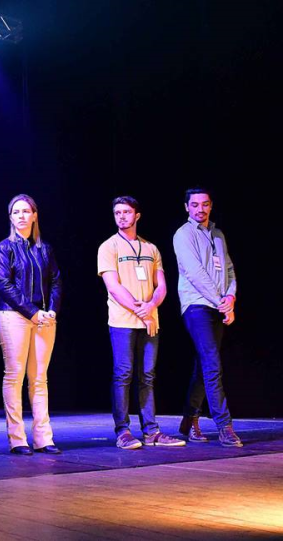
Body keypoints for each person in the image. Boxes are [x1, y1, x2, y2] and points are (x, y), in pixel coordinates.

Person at [97, 196, 185, 450]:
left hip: (150, 321)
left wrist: (151, 308)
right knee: (123, 374)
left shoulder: (151, 249)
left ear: (137, 215)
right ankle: (123, 431)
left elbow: (162, 287)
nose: (121, 216)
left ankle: (151, 431)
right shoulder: (108, 247)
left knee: (147, 375)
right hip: (123, 321)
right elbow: (113, 287)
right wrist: (141, 310)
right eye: (117, 212)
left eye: (126, 212)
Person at [0, 194, 62, 455]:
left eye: (26, 211)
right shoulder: (4, 248)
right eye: (16, 212)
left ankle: (44, 438)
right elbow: (4, 284)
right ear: (11, 218)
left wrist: (51, 310)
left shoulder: (46, 249)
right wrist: (33, 312)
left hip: (44, 318)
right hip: (13, 315)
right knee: (15, 376)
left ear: (34, 215)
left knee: (40, 379)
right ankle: (17, 438)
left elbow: (56, 281)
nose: (21, 216)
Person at [174, 188, 242, 447]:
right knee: (213, 363)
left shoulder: (218, 234)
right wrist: (220, 302)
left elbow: (229, 270)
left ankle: (189, 419)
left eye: (204, 204)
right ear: (186, 207)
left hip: (218, 305)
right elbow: (195, 273)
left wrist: (230, 298)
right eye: (194, 205)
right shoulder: (183, 235)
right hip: (197, 305)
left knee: (205, 365)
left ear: (211, 206)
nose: (199, 209)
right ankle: (224, 424)